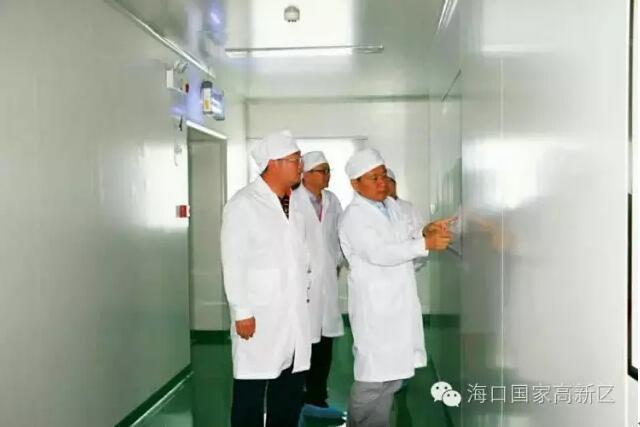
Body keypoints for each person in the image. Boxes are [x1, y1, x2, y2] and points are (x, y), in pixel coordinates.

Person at [338, 148, 453, 427]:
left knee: (392, 379)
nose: (382, 183)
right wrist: (423, 244)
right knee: (372, 381)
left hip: (399, 303)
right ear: (355, 184)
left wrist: (424, 232)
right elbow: (378, 252)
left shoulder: (391, 207)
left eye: (383, 176)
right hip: (375, 308)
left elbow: (404, 241)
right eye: (374, 178)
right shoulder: (354, 217)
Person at [220, 130, 312, 427]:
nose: (301, 166)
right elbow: (233, 262)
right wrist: (242, 312)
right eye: (295, 160)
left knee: (288, 393)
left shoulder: (294, 203)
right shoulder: (243, 204)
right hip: (259, 315)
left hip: (293, 313)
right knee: (251, 391)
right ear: (273, 163)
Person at [291, 151, 345, 420]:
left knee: (325, 342)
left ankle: (318, 397)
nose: (327, 175)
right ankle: (297, 399)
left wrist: (337, 261)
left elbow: (340, 236)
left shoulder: (332, 201)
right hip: (303, 282)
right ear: (306, 174)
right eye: (322, 170)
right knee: (302, 342)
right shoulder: (292, 200)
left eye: (328, 170)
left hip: (327, 281)